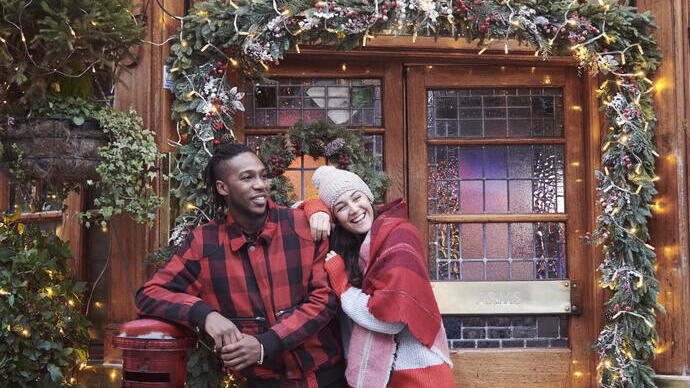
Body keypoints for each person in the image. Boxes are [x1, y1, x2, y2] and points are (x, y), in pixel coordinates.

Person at [135, 143, 345, 388]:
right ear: (223, 187)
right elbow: (149, 295)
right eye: (247, 178)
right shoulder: (205, 243)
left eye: (263, 176)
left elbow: (325, 298)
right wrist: (205, 315)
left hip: (328, 377)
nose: (261, 185)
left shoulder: (302, 226)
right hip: (263, 382)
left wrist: (265, 344)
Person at [307, 166, 455, 388]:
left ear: (368, 196)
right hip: (379, 377)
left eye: (357, 197)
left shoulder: (400, 237)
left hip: (419, 375)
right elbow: (289, 215)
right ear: (334, 216)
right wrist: (314, 208)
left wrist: (344, 289)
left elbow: (391, 320)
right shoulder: (348, 248)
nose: (354, 209)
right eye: (341, 207)